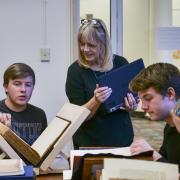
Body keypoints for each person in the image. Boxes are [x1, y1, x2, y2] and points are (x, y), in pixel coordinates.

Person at [65, 18, 137, 149]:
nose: (85, 49)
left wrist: (131, 106)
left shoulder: (121, 63)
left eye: (91, 45)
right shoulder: (75, 71)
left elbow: (131, 102)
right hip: (89, 144)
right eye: (82, 44)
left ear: (103, 44)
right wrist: (95, 100)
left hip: (122, 140)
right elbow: (78, 118)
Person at [129, 62, 180, 171]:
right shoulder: (170, 126)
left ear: (170, 94)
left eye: (148, 98)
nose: (143, 107)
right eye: (141, 100)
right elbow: (166, 161)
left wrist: (153, 154)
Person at [0, 63, 47, 145]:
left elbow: (45, 150)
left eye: (28, 85)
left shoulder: (39, 114)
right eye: (17, 84)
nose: (23, 89)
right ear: (6, 87)